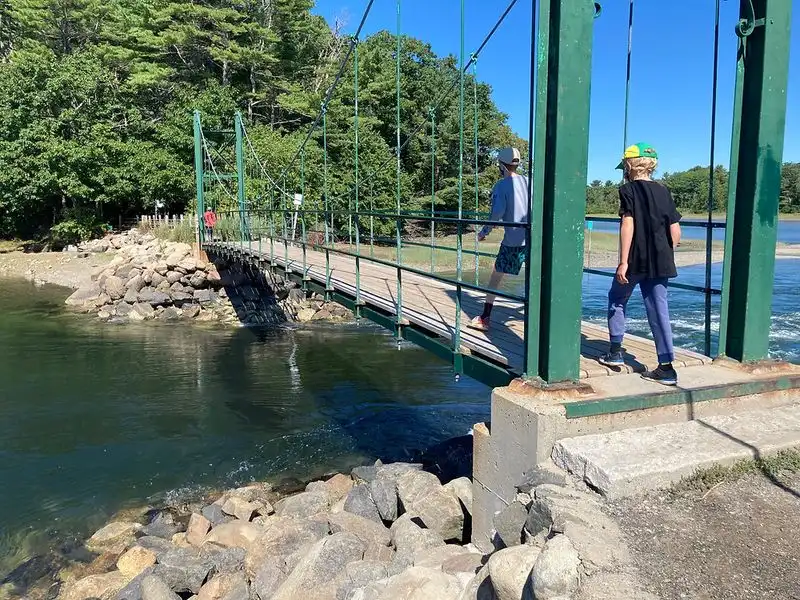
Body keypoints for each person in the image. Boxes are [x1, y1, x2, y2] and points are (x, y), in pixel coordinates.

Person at [599, 142, 682, 386]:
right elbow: (675, 231)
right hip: (661, 260)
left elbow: (628, 224)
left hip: (636, 258)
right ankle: (666, 368)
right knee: (659, 309)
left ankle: (615, 352)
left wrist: (623, 262)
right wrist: (666, 251)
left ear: (629, 165)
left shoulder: (627, 190)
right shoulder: (664, 190)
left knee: (617, 298)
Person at [468, 146, 529, 332]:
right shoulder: (530, 182)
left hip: (513, 242)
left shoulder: (501, 186)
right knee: (536, 279)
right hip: (534, 240)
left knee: (495, 278)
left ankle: (484, 318)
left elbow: (497, 213)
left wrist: (483, 232)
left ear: (501, 166)